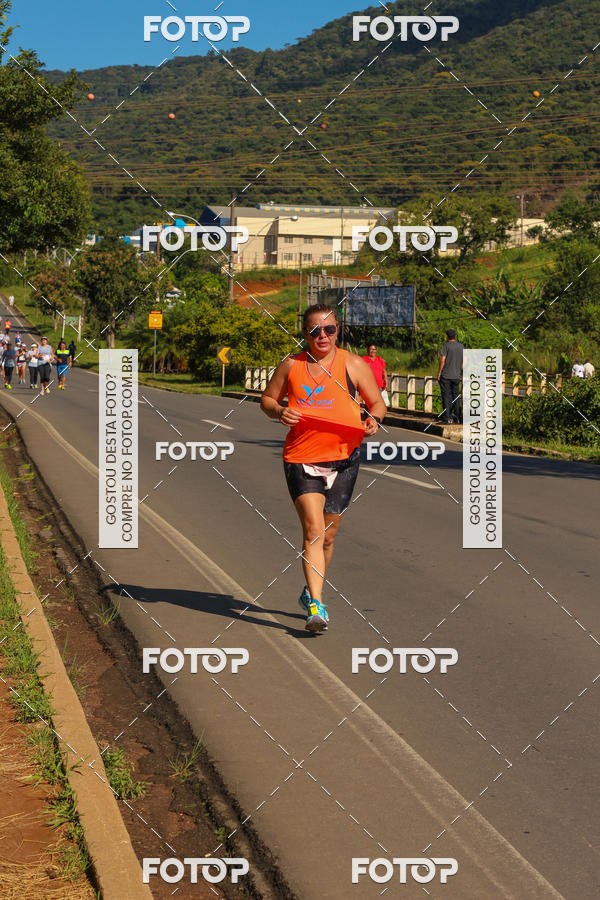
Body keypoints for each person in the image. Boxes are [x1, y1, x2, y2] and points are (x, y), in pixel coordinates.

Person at [260, 304, 386, 633]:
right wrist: (279, 412)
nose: (323, 336)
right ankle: (316, 606)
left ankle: (309, 591)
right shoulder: (291, 365)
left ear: (337, 331)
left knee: (328, 537)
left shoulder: (353, 364)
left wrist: (374, 419)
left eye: (329, 329)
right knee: (314, 530)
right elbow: (268, 400)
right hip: (301, 457)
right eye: (315, 330)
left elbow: (377, 403)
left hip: (344, 460)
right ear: (305, 333)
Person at [437, 329, 464, 424]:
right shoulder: (461, 346)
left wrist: (439, 373)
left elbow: (442, 360)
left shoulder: (446, 345)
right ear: (455, 336)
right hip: (456, 376)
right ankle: (457, 417)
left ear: (447, 336)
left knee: (446, 397)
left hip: (446, 376)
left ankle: (447, 418)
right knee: (455, 396)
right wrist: (459, 370)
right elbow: (464, 361)